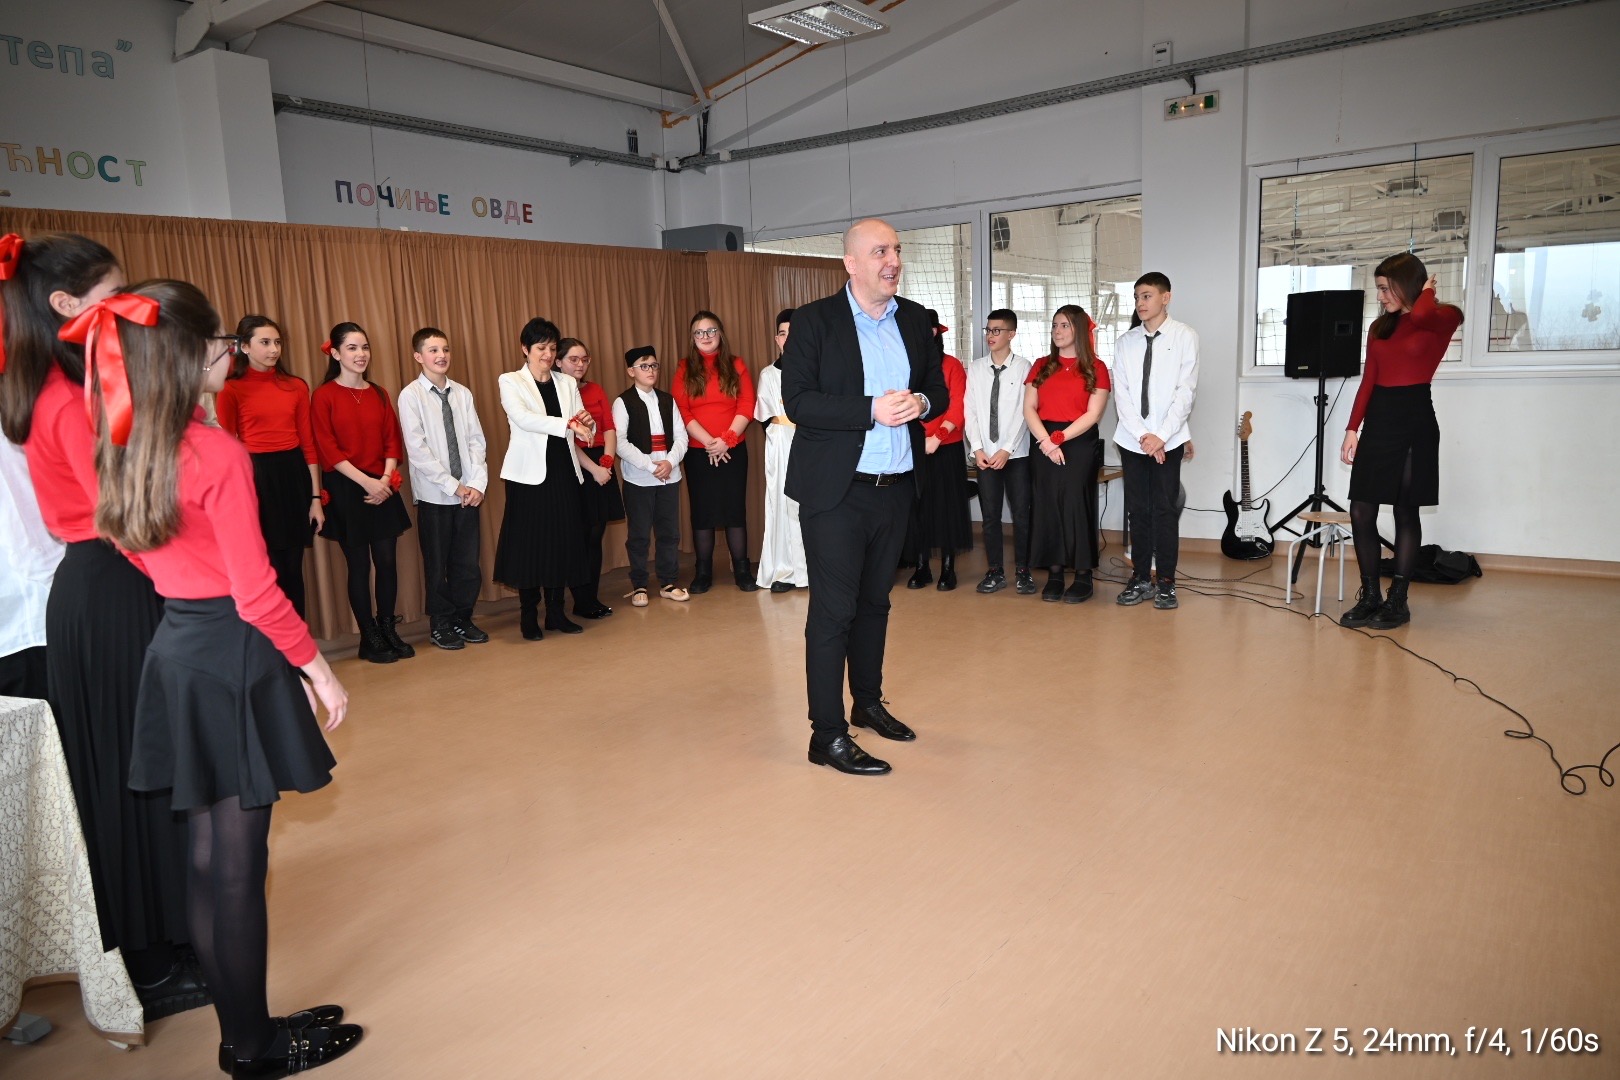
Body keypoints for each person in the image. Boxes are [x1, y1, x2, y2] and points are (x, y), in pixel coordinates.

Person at [87, 279, 361, 1079]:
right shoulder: (213, 452)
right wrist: (317, 670)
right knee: (237, 867)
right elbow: (257, 591)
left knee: (209, 860)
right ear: (187, 354)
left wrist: (193, 588)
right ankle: (254, 1047)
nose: (229, 356)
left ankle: (245, 1024)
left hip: (179, 645)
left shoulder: (127, 440)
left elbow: (132, 547)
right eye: (221, 344)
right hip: (234, 655)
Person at [1, 232, 206, 1020]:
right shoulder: (62, 398)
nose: (130, 310)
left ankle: (179, 934)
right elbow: (124, 515)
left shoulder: (80, 380)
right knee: (130, 775)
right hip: (110, 589)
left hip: (117, 584)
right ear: (66, 305)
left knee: (157, 769)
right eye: (115, 296)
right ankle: (150, 965)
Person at [780, 218, 947, 776]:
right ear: (851, 263)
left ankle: (867, 703)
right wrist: (870, 409)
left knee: (876, 603)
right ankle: (826, 734)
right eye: (879, 252)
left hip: (895, 489)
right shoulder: (814, 321)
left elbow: (938, 389)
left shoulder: (916, 320)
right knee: (834, 612)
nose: (892, 260)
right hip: (837, 494)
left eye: (896, 250)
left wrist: (922, 404)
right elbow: (798, 401)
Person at [1339, 254, 1464, 629]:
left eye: (1385, 288)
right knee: (1361, 510)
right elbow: (1369, 380)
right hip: (1379, 420)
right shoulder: (1379, 328)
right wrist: (1352, 428)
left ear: (1408, 284)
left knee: (1405, 511)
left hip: (1414, 421)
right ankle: (1370, 596)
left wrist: (1425, 293)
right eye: (1377, 289)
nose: (1380, 297)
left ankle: (1398, 601)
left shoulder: (1444, 316)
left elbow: (1422, 315)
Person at [311, 323, 415, 661]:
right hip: (346, 487)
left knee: (386, 561)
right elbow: (327, 448)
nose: (361, 354)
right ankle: (368, 637)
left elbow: (392, 441)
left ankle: (387, 628)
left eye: (365, 347)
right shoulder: (324, 395)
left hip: (381, 484)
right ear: (335, 353)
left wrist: (383, 480)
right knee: (358, 565)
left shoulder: (379, 393)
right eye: (352, 348)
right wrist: (366, 482)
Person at [493, 316, 593, 640]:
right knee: (530, 544)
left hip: (563, 470)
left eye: (552, 348)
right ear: (525, 349)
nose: (548, 355)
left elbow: (580, 422)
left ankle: (556, 612)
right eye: (541, 348)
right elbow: (523, 418)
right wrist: (567, 424)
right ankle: (528, 615)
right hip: (528, 475)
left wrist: (587, 424)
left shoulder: (567, 383)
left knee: (561, 542)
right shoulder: (511, 381)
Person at [215, 315, 321, 617]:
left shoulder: (296, 386)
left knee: (293, 569)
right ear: (245, 346)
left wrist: (315, 498)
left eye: (277, 342)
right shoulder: (230, 388)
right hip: (256, 477)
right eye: (265, 342)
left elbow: (308, 445)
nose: (274, 349)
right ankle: (273, 642)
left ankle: (299, 642)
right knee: (269, 568)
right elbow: (227, 446)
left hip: (293, 475)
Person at [397, 326, 489, 651]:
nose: (441, 355)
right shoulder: (411, 396)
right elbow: (417, 451)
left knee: (467, 564)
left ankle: (464, 617)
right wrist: (454, 486)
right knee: (437, 565)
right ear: (418, 356)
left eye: (445, 349)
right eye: (433, 350)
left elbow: (477, 441)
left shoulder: (462, 394)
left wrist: (475, 484)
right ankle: (441, 624)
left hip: (468, 495)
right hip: (435, 495)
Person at [1111, 272, 1199, 610]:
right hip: (1133, 440)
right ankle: (1140, 578)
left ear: (1166, 297)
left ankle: (1165, 582)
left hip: (1169, 439)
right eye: (1136, 297)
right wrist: (1144, 436)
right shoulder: (1126, 342)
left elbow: (1185, 392)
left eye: (1146, 295)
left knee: (1164, 510)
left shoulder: (1185, 336)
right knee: (1138, 511)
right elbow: (1123, 395)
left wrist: (1160, 437)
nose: (1140, 303)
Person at [1023, 305, 1112, 603]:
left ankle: (1083, 574)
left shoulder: (1096, 367)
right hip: (1043, 440)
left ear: (1079, 330)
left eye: (1064, 325)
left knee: (1076, 503)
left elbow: (1093, 414)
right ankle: (1055, 573)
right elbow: (1029, 408)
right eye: (1054, 325)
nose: (1057, 331)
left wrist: (1058, 439)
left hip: (1078, 441)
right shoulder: (1041, 364)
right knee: (1047, 504)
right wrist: (1046, 441)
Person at [673, 311, 759, 593]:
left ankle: (742, 571)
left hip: (733, 450)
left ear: (720, 333)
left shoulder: (736, 364)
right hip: (699, 452)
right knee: (702, 512)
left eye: (711, 330)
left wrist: (727, 440)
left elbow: (747, 404)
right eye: (699, 332)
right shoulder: (684, 368)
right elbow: (681, 410)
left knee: (734, 510)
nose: (705, 336)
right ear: (692, 338)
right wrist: (711, 442)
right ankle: (703, 572)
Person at [613, 346, 690, 607]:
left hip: (669, 476)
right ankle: (639, 585)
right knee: (639, 535)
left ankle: (668, 582)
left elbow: (681, 436)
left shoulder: (668, 400)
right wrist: (650, 465)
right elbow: (620, 442)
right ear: (631, 371)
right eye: (644, 366)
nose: (651, 371)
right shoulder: (623, 402)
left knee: (669, 532)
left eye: (654, 365)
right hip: (639, 478)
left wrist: (670, 461)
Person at [964, 308, 1034, 594]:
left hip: (1016, 455)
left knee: (1021, 514)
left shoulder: (1024, 367)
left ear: (1011, 334)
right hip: (985, 455)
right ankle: (995, 570)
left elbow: (1024, 412)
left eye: (997, 330)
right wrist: (977, 448)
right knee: (990, 515)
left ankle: (1024, 571)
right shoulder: (976, 368)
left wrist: (1007, 449)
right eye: (988, 330)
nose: (990, 336)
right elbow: (970, 410)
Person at [557, 337, 624, 618]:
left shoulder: (595, 389)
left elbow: (609, 427)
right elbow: (566, 438)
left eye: (584, 359)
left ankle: (590, 598)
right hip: (575, 464)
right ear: (558, 361)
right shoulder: (556, 392)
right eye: (573, 359)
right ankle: (580, 599)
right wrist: (594, 469)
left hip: (601, 462)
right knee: (579, 535)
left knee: (596, 534)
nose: (580, 365)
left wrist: (606, 462)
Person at [905, 310, 970, 591]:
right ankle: (921, 567)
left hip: (946, 447)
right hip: (913, 447)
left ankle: (947, 568)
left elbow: (958, 405)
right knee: (917, 507)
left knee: (947, 508)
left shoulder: (952, 365)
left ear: (934, 333)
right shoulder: (908, 365)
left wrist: (938, 437)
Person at [753, 309, 809, 593]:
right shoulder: (768, 374)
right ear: (777, 339)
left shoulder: (815, 370)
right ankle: (784, 570)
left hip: (810, 442)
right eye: (783, 333)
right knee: (782, 504)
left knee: (809, 506)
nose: (789, 338)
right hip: (780, 445)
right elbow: (764, 417)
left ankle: (811, 570)